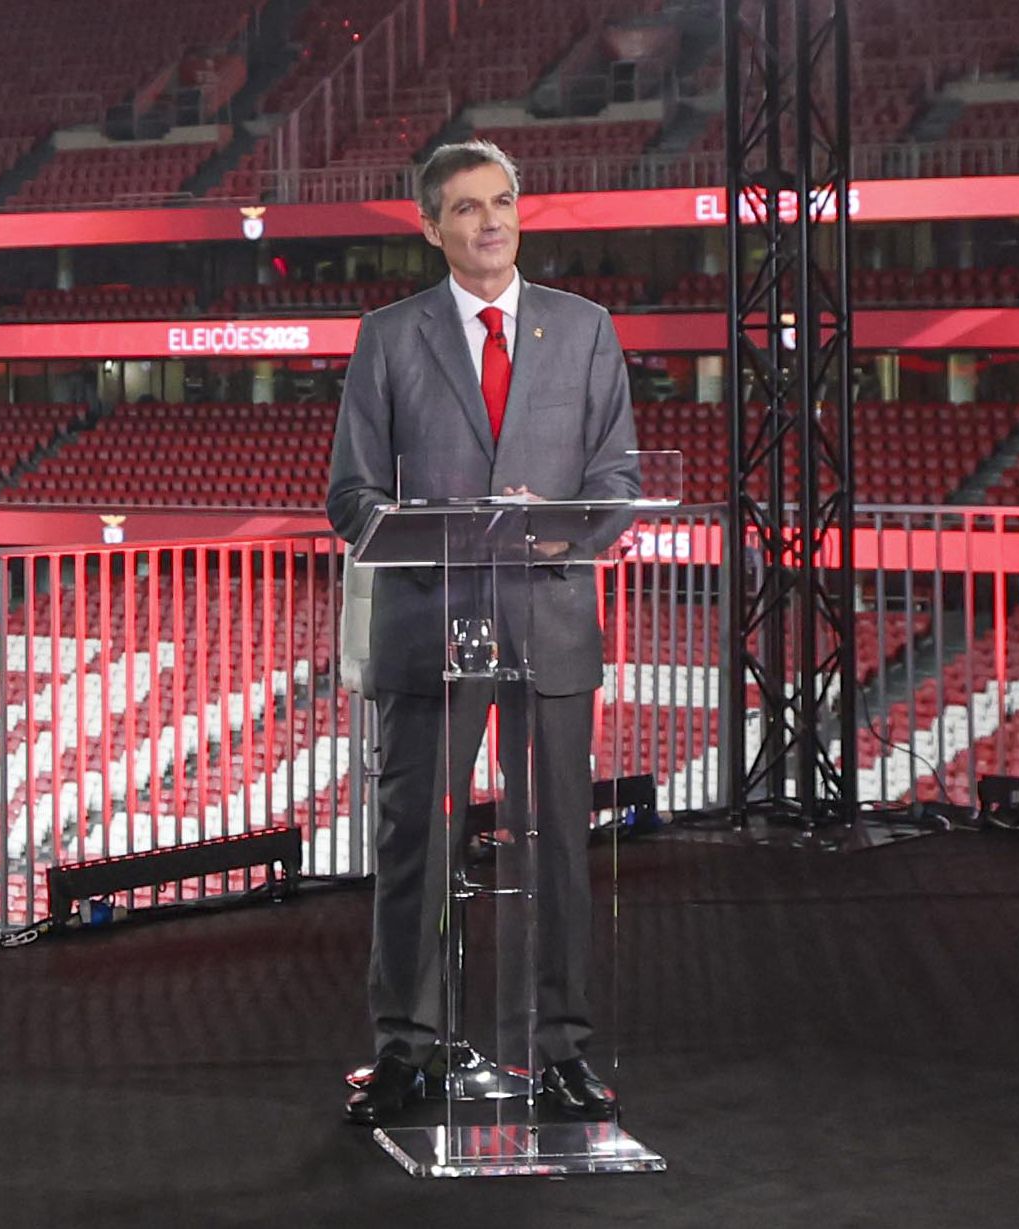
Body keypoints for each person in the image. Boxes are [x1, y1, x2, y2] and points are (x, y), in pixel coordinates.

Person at [327, 140, 640, 1125]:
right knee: (416, 845)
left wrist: (559, 522)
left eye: (501, 201)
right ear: (431, 227)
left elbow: (619, 482)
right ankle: (406, 1050)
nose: (490, 220)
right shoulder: (388, 336)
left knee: (559, 848)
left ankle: (560, 1049)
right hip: (430, 624)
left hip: (548, 619)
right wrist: (443, 534)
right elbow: (351, 495)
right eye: (465, 207)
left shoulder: (584, 328)